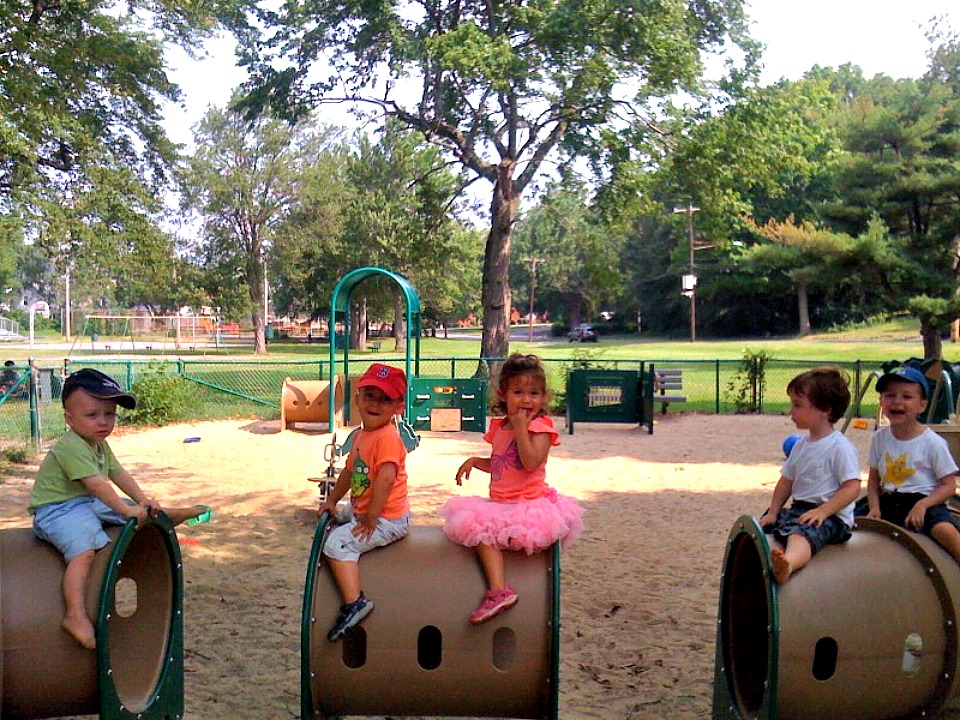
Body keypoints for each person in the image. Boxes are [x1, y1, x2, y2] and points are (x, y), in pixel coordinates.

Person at [28, 368, 210, 650]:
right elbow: (97, 485)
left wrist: (141, 500)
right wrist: (126, 512)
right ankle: (74, 615)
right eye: (92, 415)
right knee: (84, 552)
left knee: (128, 508)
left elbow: (118, 474)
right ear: (69, 419)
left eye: (109, 414)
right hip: (57, 509)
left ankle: (163, 515)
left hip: (85, 502)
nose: (102, 422)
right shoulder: (70, 447)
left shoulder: (99, 445)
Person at [440, 353, 584, 625]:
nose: (526, 400)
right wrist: (475, 461)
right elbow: (502, 463)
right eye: (518, 392)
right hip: (502, 502)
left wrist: (521, 429)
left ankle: (498, 591)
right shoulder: (500, 426)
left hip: (527, 505)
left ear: (543, 397)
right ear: (502, 394)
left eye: (534, 393)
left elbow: (530, 463)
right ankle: (497, 588)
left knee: (482, 533)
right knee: (475, 527)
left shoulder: (540, 428)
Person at [318, 363, 411, 641]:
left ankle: (355, 602)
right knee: (343, 516)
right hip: (366, 510)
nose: (375, 404)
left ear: (399, 407)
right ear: (357, 399)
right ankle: (352, 514)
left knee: (335, 544)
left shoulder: (388, 439)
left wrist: (371, 518)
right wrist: (332, 500)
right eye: (370, 395)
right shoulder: (361, 435)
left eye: (386, 399)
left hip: (386, 518)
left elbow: (385, 480)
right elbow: (348, 471)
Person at [758, 367, 861, 584]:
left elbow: (851, 488)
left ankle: (789, 564)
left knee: (800, 534)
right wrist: (773, 512)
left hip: (831, 517)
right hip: (800, 509)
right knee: (765, 530)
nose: (791, 411)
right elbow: (786, 481)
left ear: (825, 409)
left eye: (797, 405)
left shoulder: (839, 447)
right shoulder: (800, 446)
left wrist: (824, 511)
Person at [862, 366, 960, 563]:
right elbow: (873, 481)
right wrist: (874, 507)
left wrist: (923, 505)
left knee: (947, 534)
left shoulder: (932, 443)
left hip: (925, 502)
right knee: (847, 524)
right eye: (890, 395)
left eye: (907, 397)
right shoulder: (880, 438)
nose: (897, 401)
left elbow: (949, 486)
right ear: (881, 402)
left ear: (922, 405)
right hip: (888, 501)